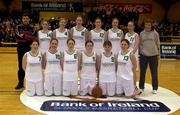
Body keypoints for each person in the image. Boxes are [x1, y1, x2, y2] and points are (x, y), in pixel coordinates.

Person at [139, 19, 160, 94]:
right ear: (144, 25)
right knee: (142, 72)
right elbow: (140, 44)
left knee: (154, 73)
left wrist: (158, 55)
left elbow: (158, 44)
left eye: (149, 24)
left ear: (151, 25)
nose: (147, 26)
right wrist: (141, 53)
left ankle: (155, 88)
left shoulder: (155, 33)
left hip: (153, 56)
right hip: (143, 55)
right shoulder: (141, 33)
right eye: (146, 24)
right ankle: (141, 87)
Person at [15, 13, 35, 89]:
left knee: (30, 65)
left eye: (27, 18)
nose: (25, 20)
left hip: (29, 49)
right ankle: (20, 83)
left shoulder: (32, 27)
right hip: (20, 49)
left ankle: (31, 81)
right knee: (21, 66)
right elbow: (17, 37)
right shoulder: (18, 27)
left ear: (29, 19)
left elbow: (33, 37)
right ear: (22, 19)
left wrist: (23, 36)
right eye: (24, 18)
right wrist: (28, 37)